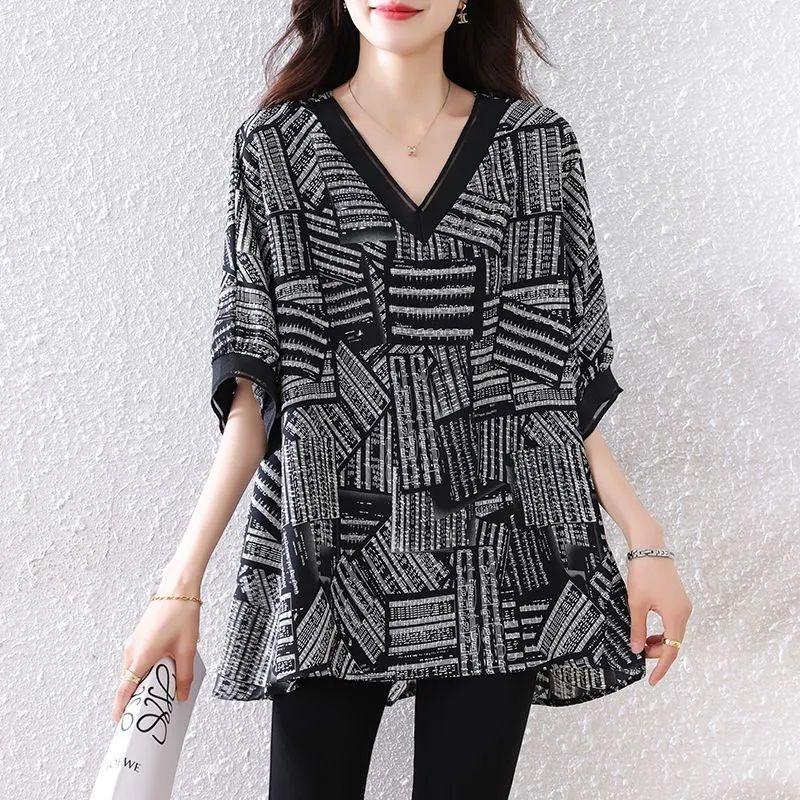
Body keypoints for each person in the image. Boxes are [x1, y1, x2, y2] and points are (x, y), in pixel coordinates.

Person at [112, 1, 693, 798]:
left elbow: (553, 385)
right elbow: (257, 393)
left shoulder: (535, 147)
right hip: (328, 540)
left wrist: (645, 539)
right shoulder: (279, 147)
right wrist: (179, 588)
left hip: (497, 546)